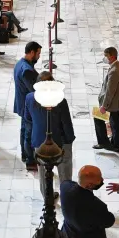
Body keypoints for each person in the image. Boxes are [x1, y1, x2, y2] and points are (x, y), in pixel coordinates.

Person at [24, 71, 76, 199]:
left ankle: (47, 197)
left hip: (39, 140)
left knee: (43, 173)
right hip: (59, 142)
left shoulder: (30, 97)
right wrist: (69, 140)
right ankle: (66, 198)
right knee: (64, 172)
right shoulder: (60, 100)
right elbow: (66, 123)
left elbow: (28, 118)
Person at [60, 165, 115, 238]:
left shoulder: (65, 187)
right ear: (90, 185)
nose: (102, 180)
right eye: (100, 179)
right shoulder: (96, 206)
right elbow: (110, 221)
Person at [14, 41, 42, 170]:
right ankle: (30, 160)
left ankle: (25, 155)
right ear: (32, 52)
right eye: (38, 53)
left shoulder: (20, 63)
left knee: (24, 130)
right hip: (27, 106)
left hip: (22, 103)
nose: (39, 56)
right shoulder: (27, 70)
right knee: (28, 133)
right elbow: (33, 90)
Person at [93, 47, 119, 153]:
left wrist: (104, 106)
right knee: (115, 123)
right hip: (116, 102)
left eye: (106, 56)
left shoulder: (115, 71)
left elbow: (110, 91)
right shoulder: (117, 66)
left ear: (112, 56)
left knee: (98, 118)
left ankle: (104, 142)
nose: (105, 58)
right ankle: (115, 143)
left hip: (112, 103)